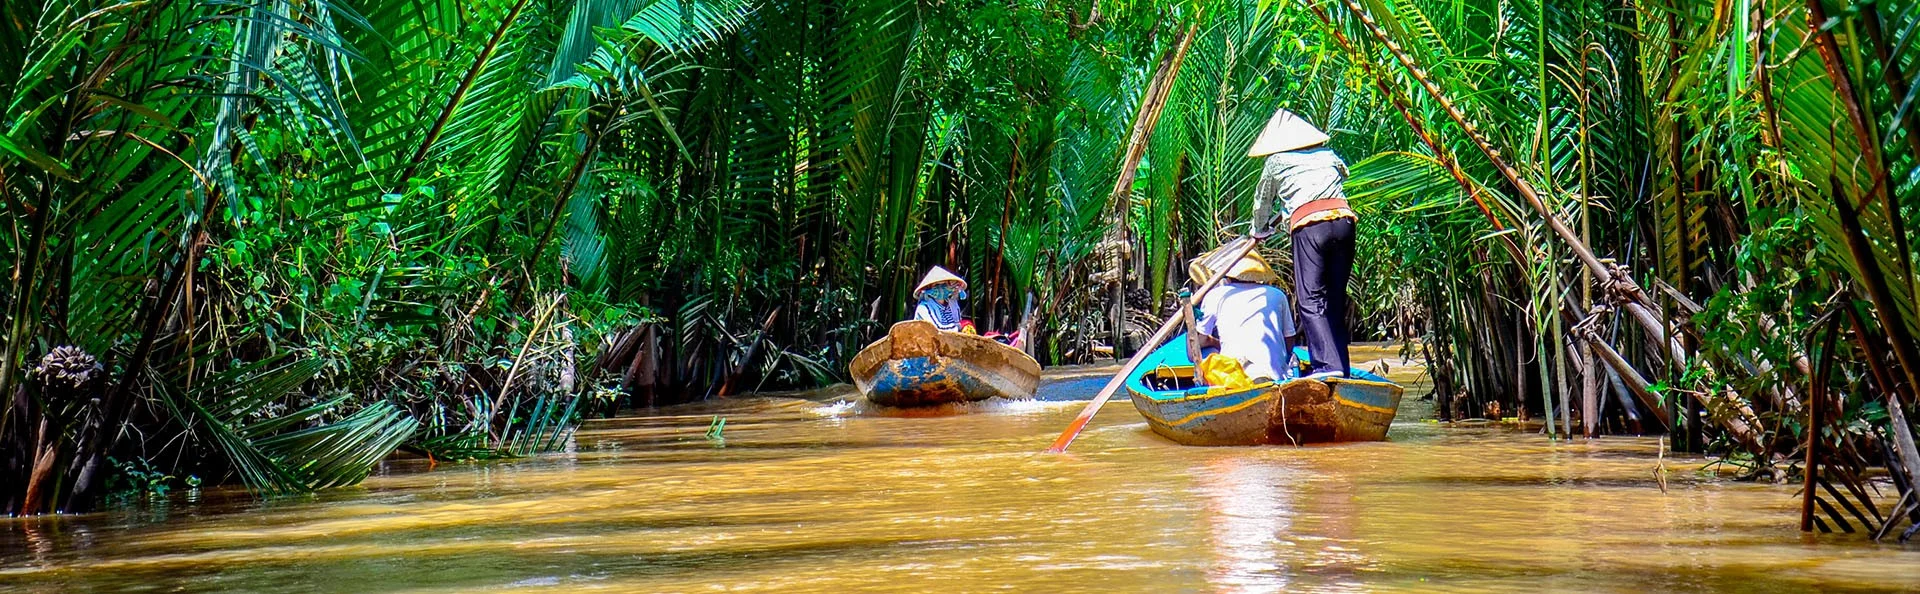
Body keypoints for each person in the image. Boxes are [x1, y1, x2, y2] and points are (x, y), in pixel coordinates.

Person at [1248, 108, 1354, 380]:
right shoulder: (1328, 154)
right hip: (1344, 221)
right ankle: (1341, 367)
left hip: (1310, 226)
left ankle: (1327, 367)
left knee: (1311, 300)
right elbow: (1343, 174)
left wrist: (1258, 231)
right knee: (1334, 299)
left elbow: (1262, 202)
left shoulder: (1275, 161)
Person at [1186, 249, 1296, 383]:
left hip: (1236, 377)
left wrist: (1212, 342)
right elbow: (1289, 340)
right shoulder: (1277, 295)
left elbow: (1194, 349)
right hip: (1275, 374)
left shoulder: (1216, 295)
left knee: (1207, 352)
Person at [911, 266, 974, 334]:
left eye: (944, 284)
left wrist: (965, 326)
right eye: (937, 285)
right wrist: (961, 326)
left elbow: (957, 322)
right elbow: (936, 330)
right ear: (929, 288)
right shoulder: (924, 307)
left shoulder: (952, 303)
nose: (941, 287)